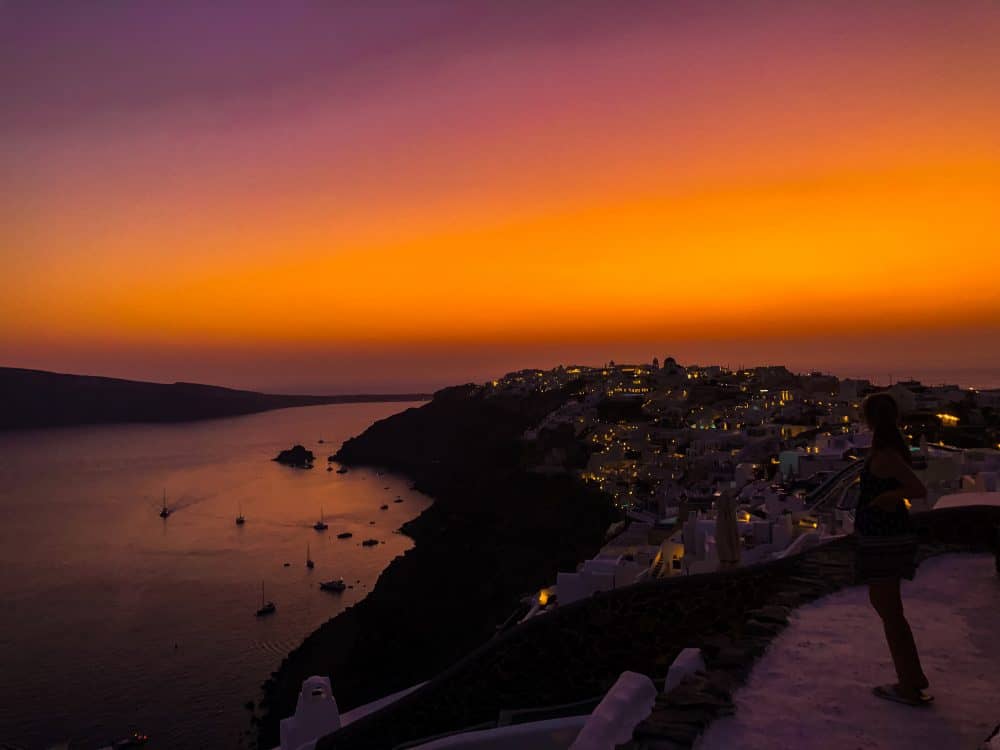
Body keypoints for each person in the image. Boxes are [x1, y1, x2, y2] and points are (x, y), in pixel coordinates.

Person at [855, 392, 932, 706]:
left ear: (871, 420)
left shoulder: (886, 455)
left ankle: (909, 684)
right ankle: (912, 678)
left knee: (891, 614)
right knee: (889, 611)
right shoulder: (887, 450)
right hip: (883, 538)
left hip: (883, 541)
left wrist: (887, 498)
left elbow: (917, 489)